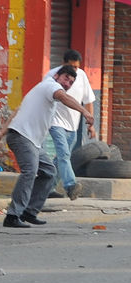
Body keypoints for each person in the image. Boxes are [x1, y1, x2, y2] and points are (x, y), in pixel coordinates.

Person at [0, 65, 94, 228]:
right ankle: (12, 215)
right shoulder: (50, 85)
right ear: (57, 76)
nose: (67, 84)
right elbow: (63, 96)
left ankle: (29, 212)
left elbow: (18, 110)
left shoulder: (44, 94)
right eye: (66, 78)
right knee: (29, 172)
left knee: (49, 172)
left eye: (71, 82)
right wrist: (85, 112)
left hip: (32, 141)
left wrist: (1, 133)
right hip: (22, 136)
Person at [46, 50, 96, 201]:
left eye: (76, 67)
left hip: (73, 125)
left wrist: (90, 124)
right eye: (71, 66)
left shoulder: (81, 76)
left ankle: (46, 188)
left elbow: (88, 100)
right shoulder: (52, 76)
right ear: (63, 63)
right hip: (55, 122)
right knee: (64, 154)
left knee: (60, 159)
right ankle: (71, 185)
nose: (74, 70)